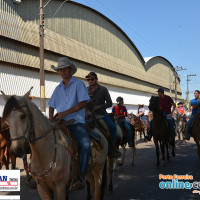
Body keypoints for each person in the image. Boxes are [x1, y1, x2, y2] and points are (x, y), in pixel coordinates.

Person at [48, 57, 91, 190]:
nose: (62, 71)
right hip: (59, 122)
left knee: (85, 144)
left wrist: (66, 112)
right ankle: (38, 174)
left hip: (75, 122)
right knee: (41, 140)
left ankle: (80, 177)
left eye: (64, 69)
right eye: (60, 69)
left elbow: (84, 102)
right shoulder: (58, 88)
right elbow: (51, 105)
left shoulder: (79, 84)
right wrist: (50, 120)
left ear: (70, 70)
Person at [86, 72, 120, 157]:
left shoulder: (103, 89)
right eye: (88, 79)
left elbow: (109, 103)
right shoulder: (85, 90)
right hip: (88, 115)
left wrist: (99, 106)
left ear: (96, 80)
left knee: (112, 127)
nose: (90, 81)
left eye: (92, 79)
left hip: (101, 114)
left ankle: (112, 150)